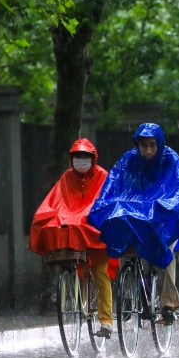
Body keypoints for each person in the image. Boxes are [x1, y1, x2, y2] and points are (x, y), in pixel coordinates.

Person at [87, 123, 179, 325]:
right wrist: (104, 204)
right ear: (138, 145)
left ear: (159, 144)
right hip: (135, 218)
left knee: (165, 254)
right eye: (143, 145)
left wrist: (166, 207)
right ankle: (127, 296)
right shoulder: (128, 160)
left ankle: (168, 305)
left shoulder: (172, 161)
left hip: (162, 220)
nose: (148, 151)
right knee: (126, 251)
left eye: (152, 145)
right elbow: (113, 184)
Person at [29, 139, 115, 337]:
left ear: (94, 159)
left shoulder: (103, 176)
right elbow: (55, 202)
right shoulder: (67, 177)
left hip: (95, 232)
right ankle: (72, 295)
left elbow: (103, 203)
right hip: (74, 231)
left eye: (86, 157)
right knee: (68, 261)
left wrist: (85, 217)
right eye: (78, 157)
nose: (81, 160)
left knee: (100, 270)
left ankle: (106, 321)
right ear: (72, 159)